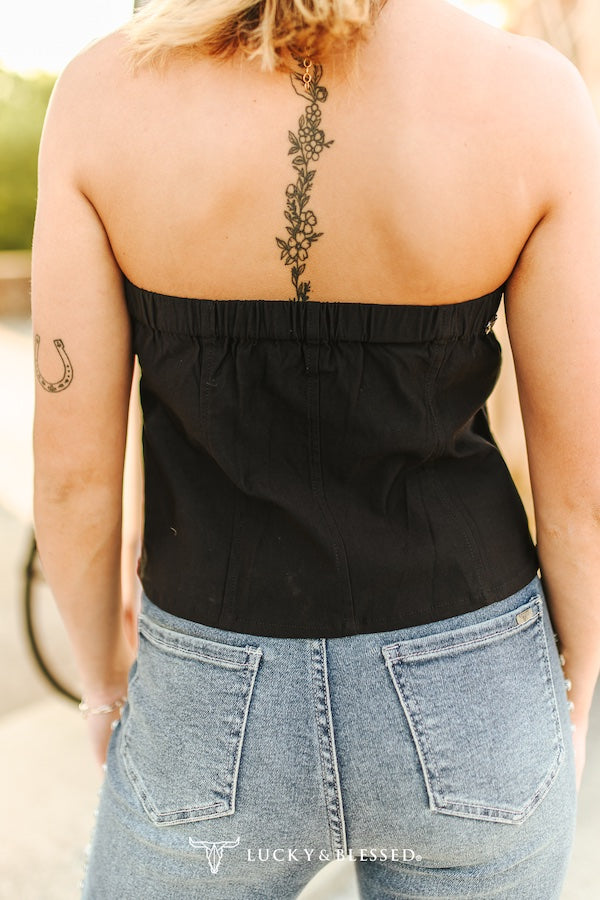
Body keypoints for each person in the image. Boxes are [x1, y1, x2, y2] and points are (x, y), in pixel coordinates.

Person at [31, 0, 600, 897]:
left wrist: (102, 683)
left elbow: (72, 478)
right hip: (474, 687)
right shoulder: (535, 98)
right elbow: (585, 493)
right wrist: (574, 688)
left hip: (206, 693)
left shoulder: (103, 94)